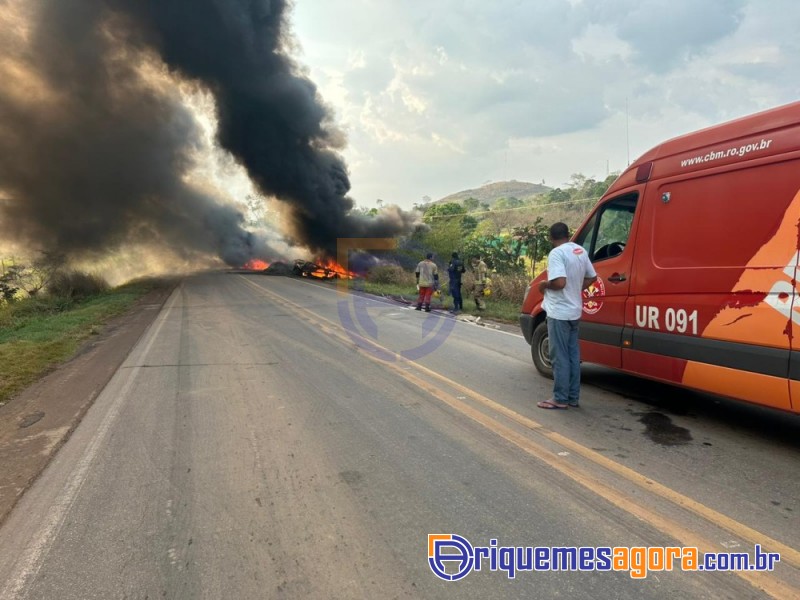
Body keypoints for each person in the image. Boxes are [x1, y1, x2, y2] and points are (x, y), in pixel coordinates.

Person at [537, 222, 597, 410]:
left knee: (559, 356)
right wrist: (576, 288)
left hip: (559, 313)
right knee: (572, 355)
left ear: (551, 238)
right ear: (568, 234)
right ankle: (572, 397)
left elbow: (560, 282)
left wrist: (545, 285)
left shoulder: (557, 253)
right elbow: (592, 277)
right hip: (574, 311)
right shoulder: (579, 250)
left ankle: (560, 398)